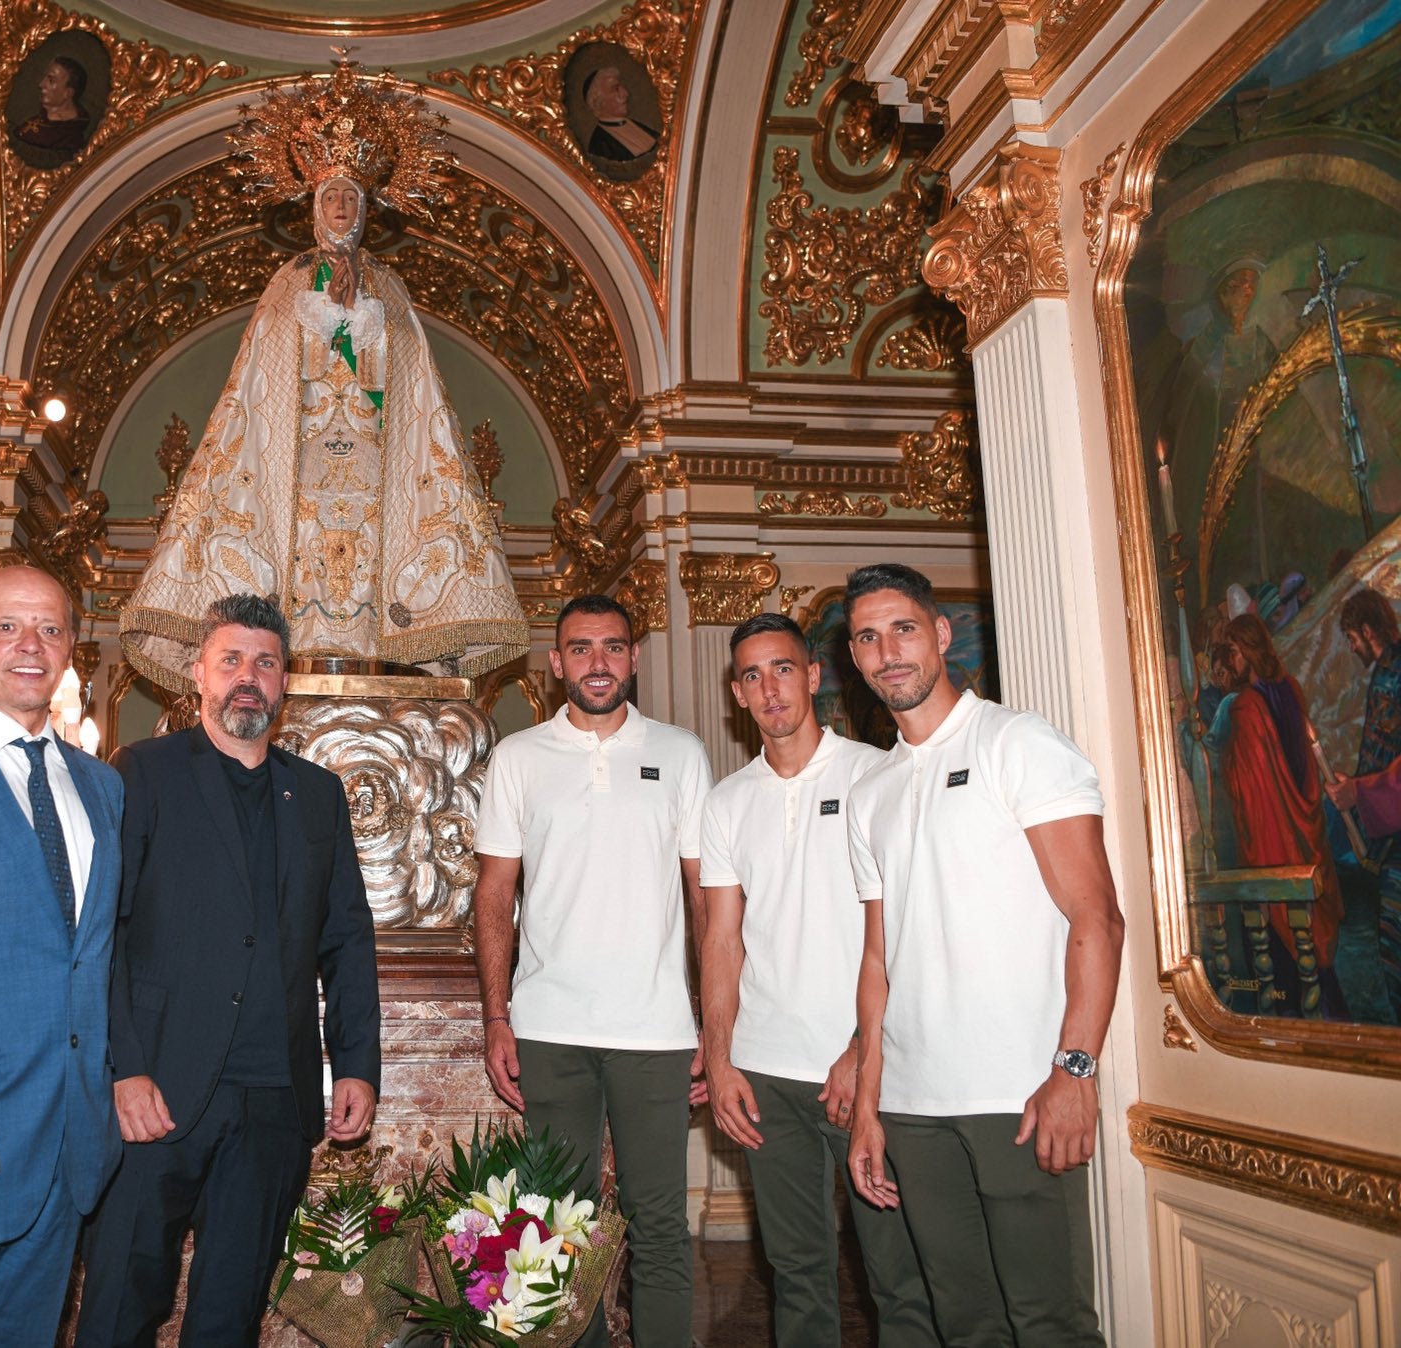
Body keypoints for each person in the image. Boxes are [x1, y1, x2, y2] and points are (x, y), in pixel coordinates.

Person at [120, 57, 526, 690]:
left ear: (366, 210)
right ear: (313, 205)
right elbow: (260, 379)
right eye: (329, 195)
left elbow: (416, 383)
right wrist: (320, 316)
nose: (339, 205)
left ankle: (379, 646)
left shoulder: (389, 289)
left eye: (350, 197)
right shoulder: (286, 284)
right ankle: (284, 649)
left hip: (374, 462)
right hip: (298, 465)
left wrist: (364, 321)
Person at [77, 593, 380, 1346]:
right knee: (120, 1303)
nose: (249, 676)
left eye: (266, 663)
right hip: (161, 1093)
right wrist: (125, 1068)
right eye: (232, 660)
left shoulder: (317, 794)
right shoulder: (142, 772)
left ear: (285, 682)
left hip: (273, 1103)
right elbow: (104, 931)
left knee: (228, 1316)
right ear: (199, 672)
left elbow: (346, 936)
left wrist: (357, 1065)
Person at [842, 563, 1122, 1346]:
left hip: (1020, 1097)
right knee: (964, 1324)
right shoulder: (872, 791)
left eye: (902, 628)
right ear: (855, 658)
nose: (886, 650)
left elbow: (1096, 917)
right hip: (913, 1107)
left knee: (1050, 1324)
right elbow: (877, 963)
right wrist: (868, 1108)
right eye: (867, 636)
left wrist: (1075, 1070)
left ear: (939, 633)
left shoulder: (1017, 742)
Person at [474, 594, 712, 1347]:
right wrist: (495, 1016)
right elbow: (494, 896)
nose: (597, 663)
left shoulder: (681, 753)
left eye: (612, 647)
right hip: (549, 1027)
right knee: (554, 1227)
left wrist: (712, 1020)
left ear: (634, 658)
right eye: (580, 648)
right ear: (556, 663)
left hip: (657, 1030)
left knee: (662, 1225)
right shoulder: (518, 757)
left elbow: (706, 898)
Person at [697, 613, 937, 1347]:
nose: (769, 689)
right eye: (751, 675)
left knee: (897, 1275)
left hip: (864, 1071)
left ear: (812, 675)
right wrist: (721, 1057)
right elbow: (722, 941)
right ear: (737, 693)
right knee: (797, 1270)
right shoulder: (726, 801)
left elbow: (909, 933)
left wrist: (865, 1047)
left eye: (781, 669)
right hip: (767, 1075)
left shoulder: (876, 773)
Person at [0, 564, 124, 1342]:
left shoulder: (103, 787)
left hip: (71, 1137)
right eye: (7, 626)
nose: (31, 645)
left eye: (50, 629)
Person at [1216, 611, 1345, 1013]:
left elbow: (1245, 787)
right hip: (1304, 834)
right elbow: (1303, 770)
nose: (1232, 660)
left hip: (1272, 839)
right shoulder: (1289, 690)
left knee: (1280, 948)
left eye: (1235, 651)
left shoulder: (1245, 708)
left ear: (1250, 651)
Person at [1323, 587, 1401, 1021]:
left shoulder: (1396, 671)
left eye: (1352, 637)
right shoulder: (1386, 671)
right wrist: (1356, 787)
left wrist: (1361, 792)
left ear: (1368, 629)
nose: (1352, 648)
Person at [14, 55, 91, 156]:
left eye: (51, 80)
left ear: (68, 93)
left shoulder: (72, 136)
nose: (41, 84)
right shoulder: (31, 127)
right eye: (45, 78)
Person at [583, 66, 659, 162]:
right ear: (599, 101)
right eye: (616, 89)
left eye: (621, 87)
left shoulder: (634, 124)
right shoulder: (599, 146)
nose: (625, 93)